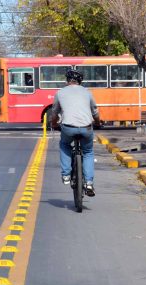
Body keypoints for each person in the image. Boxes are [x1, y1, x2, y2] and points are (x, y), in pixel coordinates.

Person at [50, 69, 101, 197]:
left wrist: (54, 124)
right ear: (80, 81)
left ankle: (66, 175)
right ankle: (89, 183)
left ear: (67, 81)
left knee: (65, 145)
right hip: (86, 128)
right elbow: (95, 112)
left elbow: (54, 113)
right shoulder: (87, 92)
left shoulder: (60, 93)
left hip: (68, 128)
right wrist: (98, 123)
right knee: (88, 152)